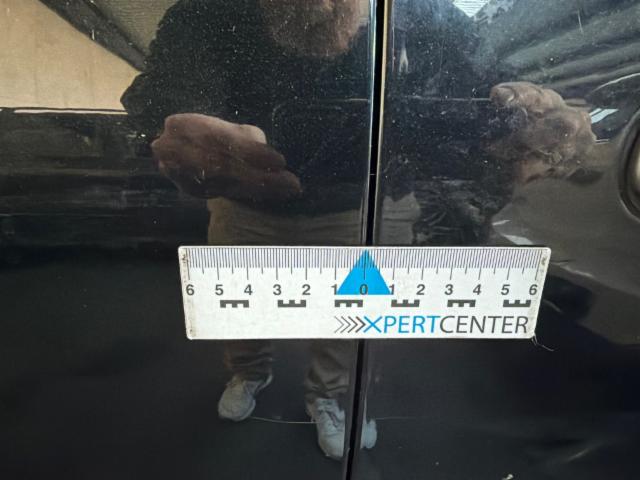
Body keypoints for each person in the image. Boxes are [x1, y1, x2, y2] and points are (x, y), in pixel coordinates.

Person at [122, 0, 594, 460]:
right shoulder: (208, 10)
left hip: (360, 206)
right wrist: (178, 125)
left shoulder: (428, 18)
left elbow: (492, 93)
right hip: (250, 203)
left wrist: (526, 115)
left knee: (350, 323)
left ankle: (327, 395)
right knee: (241, 310)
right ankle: (250, 372)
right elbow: (162, 90)